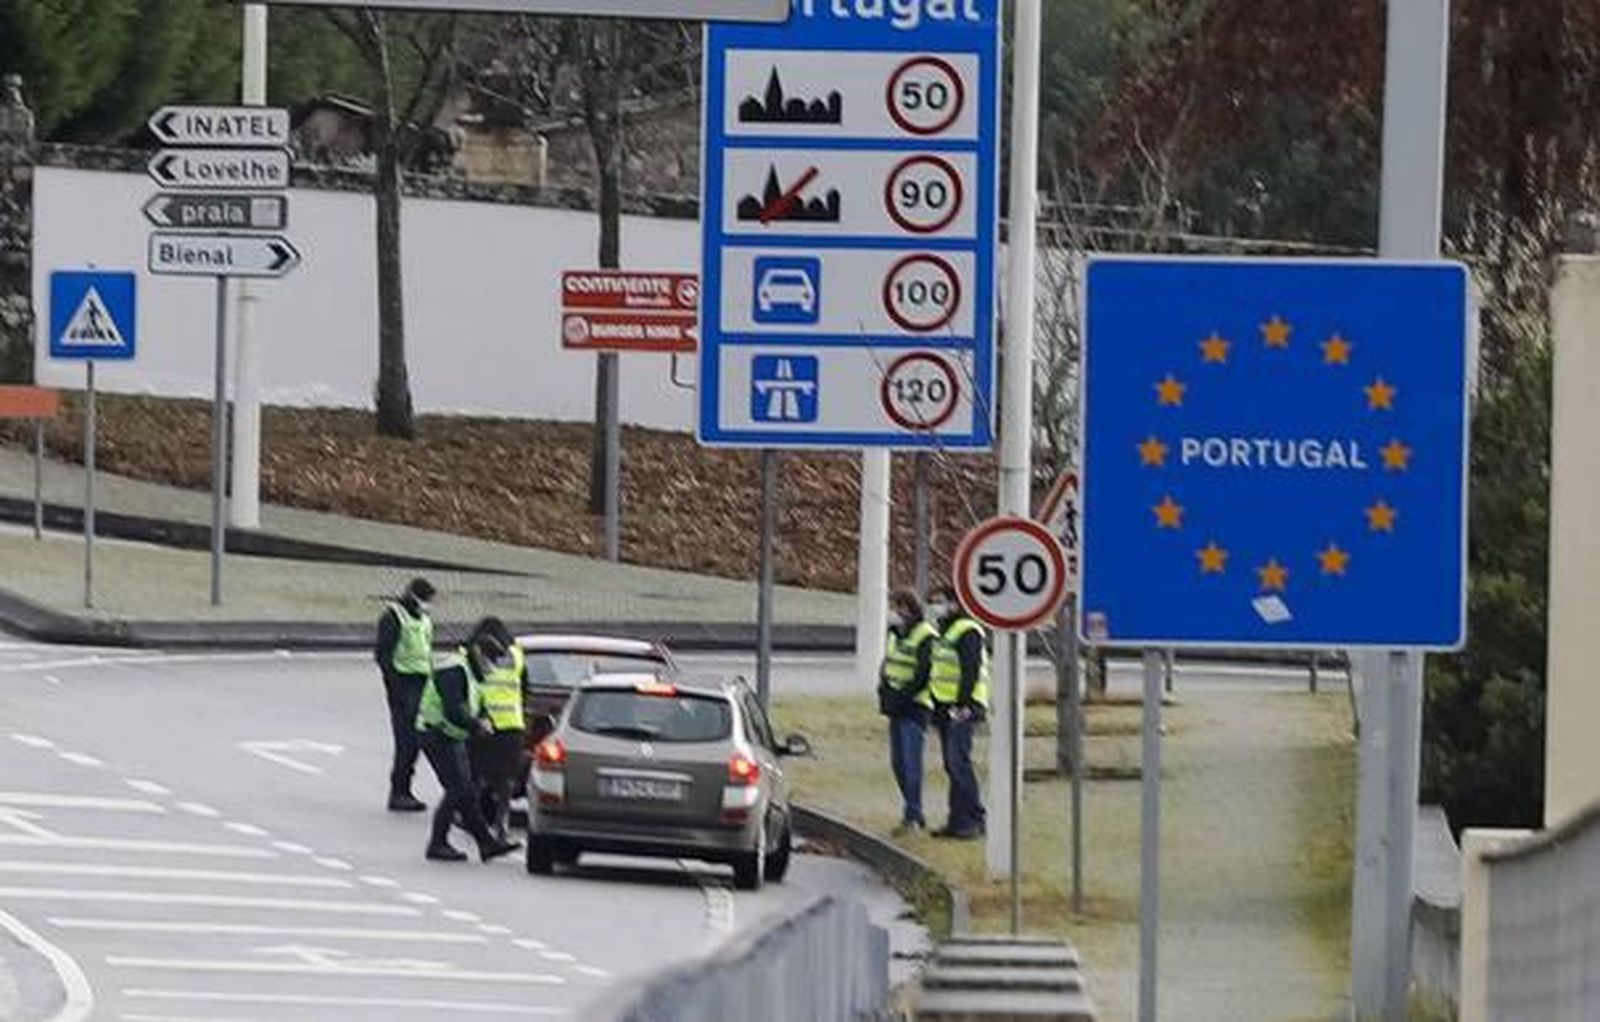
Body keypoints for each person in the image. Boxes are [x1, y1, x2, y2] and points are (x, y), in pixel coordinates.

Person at [415, 621, 521, 863]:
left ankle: (486, 844)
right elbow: (454, 709)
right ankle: (438, 843)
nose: (492, 667)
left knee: (465, 792)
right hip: (435, 733)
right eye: (490, 661)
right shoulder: (453, 669)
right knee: (458, 790)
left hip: (452, 736)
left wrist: (486, 719)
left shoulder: (473, 672)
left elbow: (478, 704)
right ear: (479, 653)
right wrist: (476, 725)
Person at [928, 584, 990, 840]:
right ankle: (957, 819)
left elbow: (970, 671)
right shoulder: (946, 630)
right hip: (945, 705)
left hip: (963, 706)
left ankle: (974, 819)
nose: (937, 606)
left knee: (959, 762)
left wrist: (961, 704)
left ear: (956, 602)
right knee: (951, 765)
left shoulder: (967, 630)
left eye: (942, 601)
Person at [374, 577, 436, 812]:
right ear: (413, 596)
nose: (427, 604)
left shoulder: (426, 620)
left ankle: (405, 790)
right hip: (403, 684)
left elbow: (426, 650)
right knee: (406, 741)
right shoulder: (393, 617)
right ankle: (398, 792)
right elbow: (383, 655)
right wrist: (395, 687)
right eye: (425, 600)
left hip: (422, 684)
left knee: (416, 741)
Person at [878, 590, 936, 835]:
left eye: (903, 607)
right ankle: (913, 811)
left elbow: (924, 673)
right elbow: (888, 665)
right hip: (896, 706)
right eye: (896, 607)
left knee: (912, 764)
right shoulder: (895, 635)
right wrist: (885, 691)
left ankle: (913, 815)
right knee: (898, 763)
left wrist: (902, 695)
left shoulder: (925, 635)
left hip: (915, 707)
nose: (898, 612)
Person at [470, 616, 526, 841]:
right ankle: (502, 821)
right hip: (512, 724)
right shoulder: (517, 656)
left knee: (476, 775)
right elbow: (525, 689)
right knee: (507, 779)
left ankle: (475, 820)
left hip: (483, 724)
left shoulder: (473, 654)